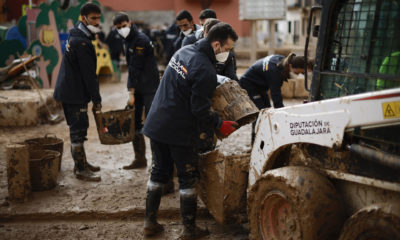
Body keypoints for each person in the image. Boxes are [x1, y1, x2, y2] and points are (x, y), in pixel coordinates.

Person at [142, 22, 239, 238]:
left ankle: (149, 223)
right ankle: (188, 229)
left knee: (159, 171)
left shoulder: (183, 51)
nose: (228, 53)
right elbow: (200, 109)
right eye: (228, 48)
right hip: (178, 130)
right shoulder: (205, 69)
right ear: (216, 45)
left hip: (157, 123)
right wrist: (219, 124)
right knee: (187, 177)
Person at [53, 2, 102, 182]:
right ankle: (81, 169)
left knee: (80, 127)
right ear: (84, 18)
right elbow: (89, 76)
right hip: (73, 93)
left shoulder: (78, 35)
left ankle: (81, 163)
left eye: (98, 18)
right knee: (78, 130)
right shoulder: (81, 42)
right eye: (93, 18)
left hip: (72, 90)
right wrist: (97, 99)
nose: (97, 22)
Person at [112, 12, 160, 170]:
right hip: (139, 87)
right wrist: (133, 91)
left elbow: (135, 67)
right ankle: (140, 159)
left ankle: (157, 163)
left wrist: (130, 92)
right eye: (118, 28)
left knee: (153, 124)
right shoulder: (127, 39)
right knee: (135, 123)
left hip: (149, 88)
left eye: (124, 26)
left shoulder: (140, 40)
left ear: (130, 23)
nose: (121, 29)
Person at [239, 53, 312, 143]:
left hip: (260, 86)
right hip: (249, 85)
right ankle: (255, 144)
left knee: (267, 111)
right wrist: (284, 117)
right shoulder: (274, 72)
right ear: (290, 66)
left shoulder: (282, 61)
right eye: (297, 72)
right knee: (260, 114)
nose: (298, 75)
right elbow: (277, 98)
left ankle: (266, 141)